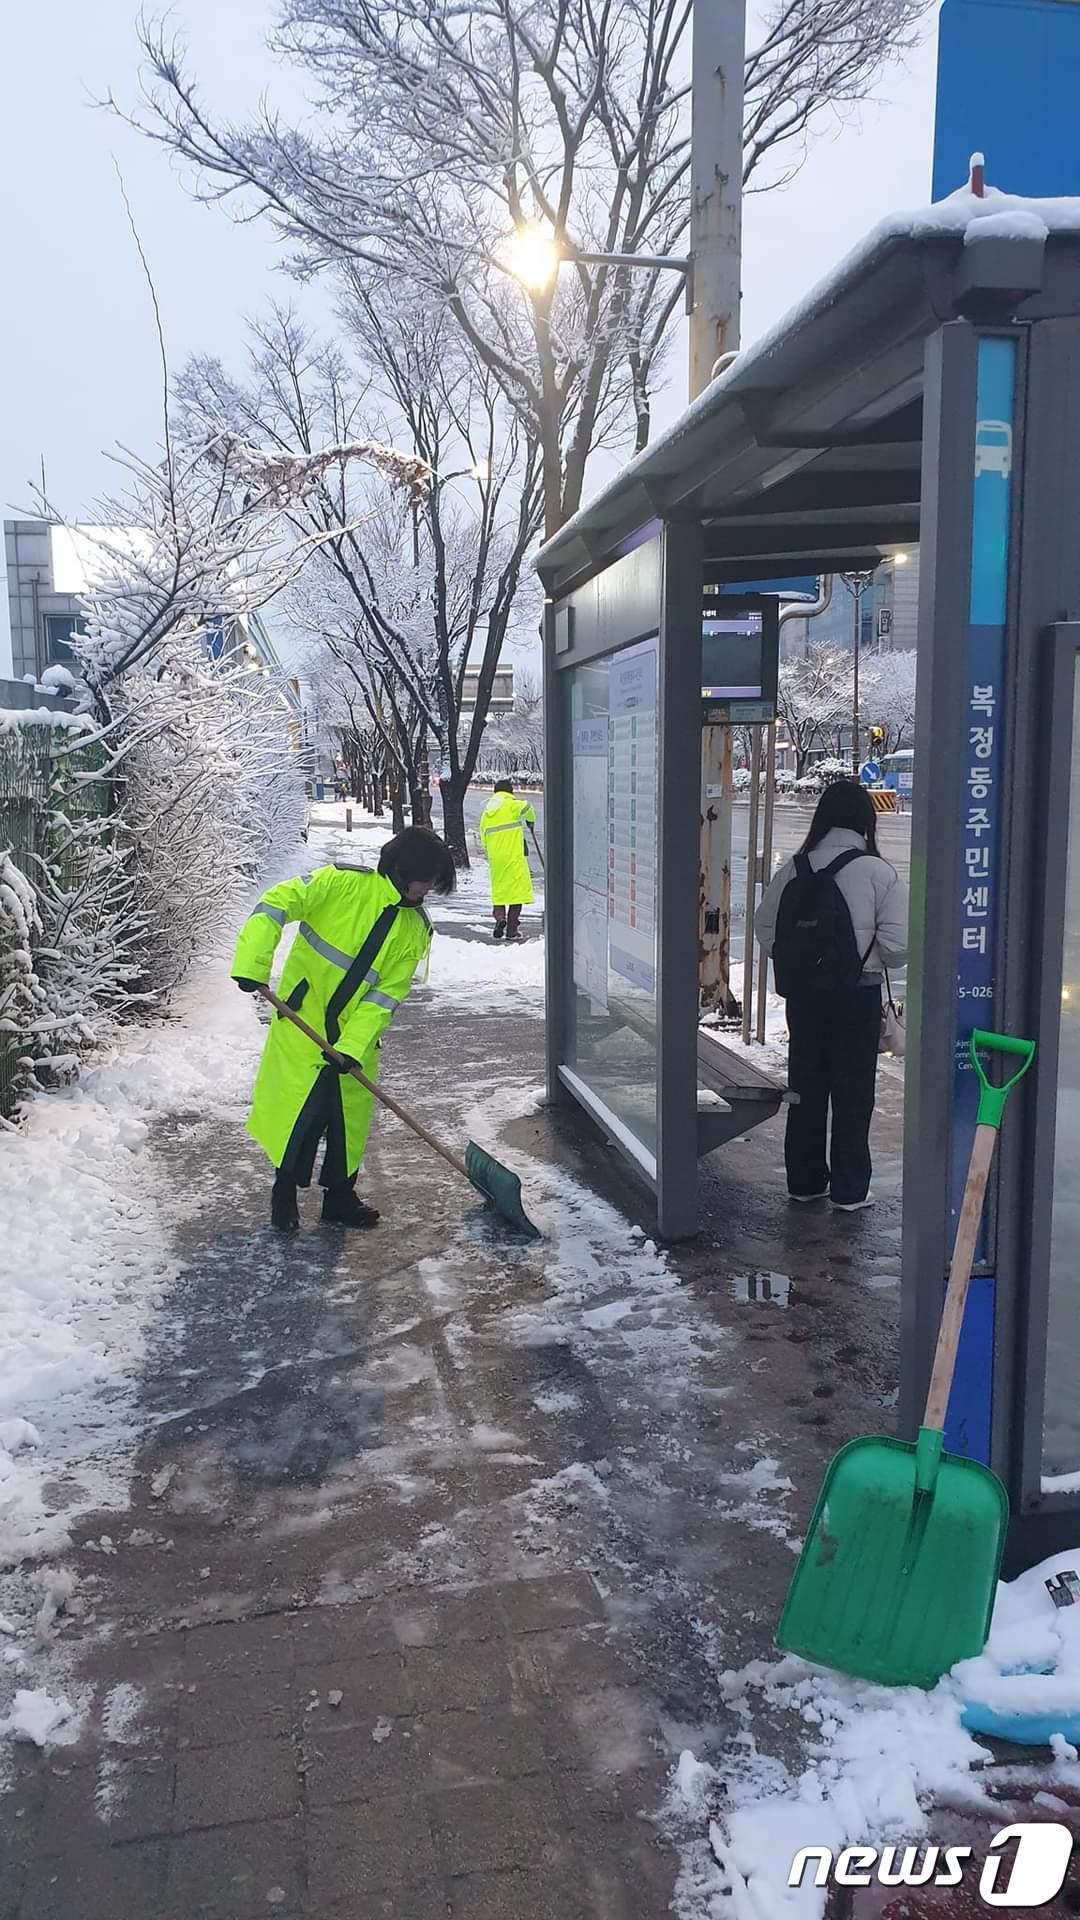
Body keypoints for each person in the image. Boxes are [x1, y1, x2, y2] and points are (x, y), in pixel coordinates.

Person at [231, 826, 456, 1232]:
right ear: (403, 871)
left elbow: (386, 996)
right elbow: (274, 904)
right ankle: (283, 1193)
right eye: (425, 881)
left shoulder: (415, 930)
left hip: (357, 1038)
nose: (427, 891)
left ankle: (339, 1197)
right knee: (301, 1116)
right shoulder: (341, 884)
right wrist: (253, 963)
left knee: (346, 1121)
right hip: (305, 1020)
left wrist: (353, 1045)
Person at [754, 779, 908, 1212]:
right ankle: (849, 1190)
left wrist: (808, 961)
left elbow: (766, 928)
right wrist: (859, 959)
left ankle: (804, 1182)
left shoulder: (796, 868)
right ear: (865, 820)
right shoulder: (879, 872)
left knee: (806, 1086)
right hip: (855, 998)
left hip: (803, 999)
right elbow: (897, 950)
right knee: (853, 1092)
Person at [479, 779, 536, 942]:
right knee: (516, 893)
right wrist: (530, 821)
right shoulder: (512, 804)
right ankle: (511, 930)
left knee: (500, 892)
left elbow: (482, 837)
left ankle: (499, 918)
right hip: (513, 856)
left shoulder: (487, 812)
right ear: (510, 792)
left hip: (496, 859)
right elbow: (528, 807)